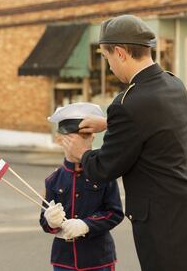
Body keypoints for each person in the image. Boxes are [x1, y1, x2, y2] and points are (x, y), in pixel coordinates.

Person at [60, 15, 187, 271]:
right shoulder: (174, 84)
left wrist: (82, 153)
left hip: (163, 227)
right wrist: (109, 123)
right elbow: (156, 126)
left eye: (106, 58)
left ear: (120, 53)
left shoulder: (127, 103)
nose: (109, 66)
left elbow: (104, 168)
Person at [40, 102, 124, 271]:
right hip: (64, 261)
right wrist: (51, 221)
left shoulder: (104, 174)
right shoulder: (53, 180)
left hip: (98, 259)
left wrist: (86, 225)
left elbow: (115, 213)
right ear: (59, 139)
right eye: (73, 136)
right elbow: (44, 222)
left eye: (86, 136)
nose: (81, 142)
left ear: (93, 137)